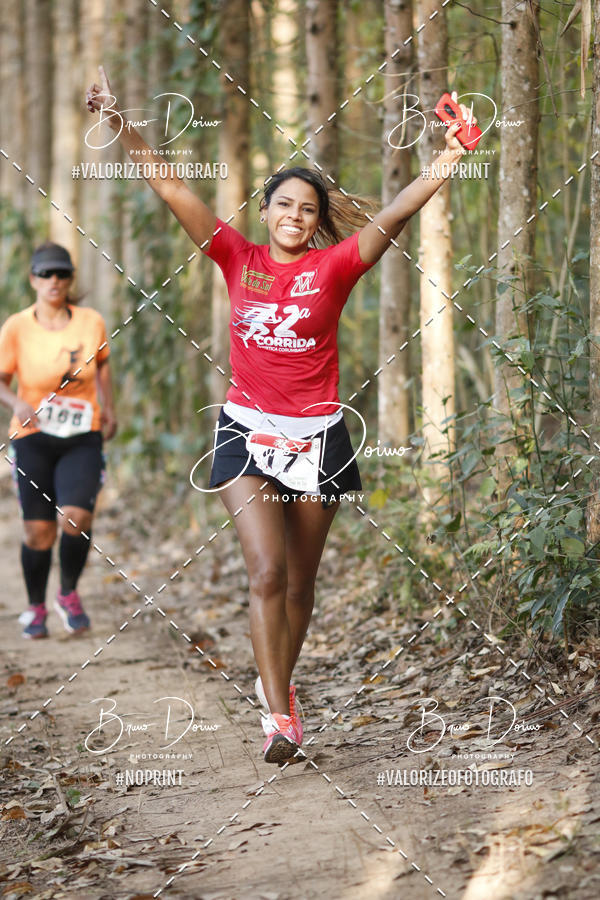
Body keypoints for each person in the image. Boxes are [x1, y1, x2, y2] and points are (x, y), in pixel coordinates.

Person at [86, 68, 475, 763]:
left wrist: (450, 157)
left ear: (316, 219)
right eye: (284, 206)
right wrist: (120, 123)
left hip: (319, 439)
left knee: (300, 582)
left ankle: (284, 686)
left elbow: (393, 215)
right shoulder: (238, 257)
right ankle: (277, 716)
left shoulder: (335, 268)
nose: (295, 217)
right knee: (265, 571)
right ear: (265, 211)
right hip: (245, 431)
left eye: (307, 210)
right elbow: (173, 186)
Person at [0, 242, 117, 639]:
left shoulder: (91, 322)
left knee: (76, 518)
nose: (54, 281)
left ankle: (67, 593)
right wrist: (16, 401)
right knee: (38, 532)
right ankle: (35, 608)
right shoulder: (17, 326)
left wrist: (110, 409)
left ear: (70, 280)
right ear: (33, 279)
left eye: (62, 274)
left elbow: (102, 367)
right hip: (32, 436)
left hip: (82, 434)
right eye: (46, 274)